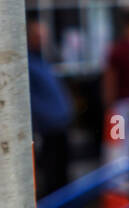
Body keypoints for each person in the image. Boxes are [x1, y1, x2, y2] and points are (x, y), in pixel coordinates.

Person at [27, 17, 72, 197]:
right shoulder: (26, 62)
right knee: (50, 168)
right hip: (46, 125)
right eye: (38, 35)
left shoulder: (43, 59)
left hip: (60, 122)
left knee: (61, 166)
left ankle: (61, 201)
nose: (42, 39)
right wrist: (44, 117)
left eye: (43, 35)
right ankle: (53, 204)